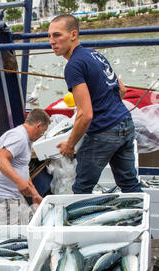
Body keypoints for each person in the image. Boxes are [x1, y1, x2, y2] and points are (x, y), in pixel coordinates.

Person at [48, 14, 142, 194]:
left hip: (103, 131)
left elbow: (86, 114)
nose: (52, 41)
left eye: (57, 35)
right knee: (130, 185)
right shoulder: (95, 54)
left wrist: (69, 144)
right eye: (50, 36)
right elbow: (121, 90)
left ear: (73, 34)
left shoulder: (73, 65)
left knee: (81, 188)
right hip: (125, 123)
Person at [0, 109, 51, 224]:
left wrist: (34, 193)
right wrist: (19, 181)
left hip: (12, 195)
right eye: (42, 133)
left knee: (30, 223)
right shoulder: (19, 137)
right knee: (17, 234)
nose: (40, 136)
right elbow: (0, 159)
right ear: (38, 126)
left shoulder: (26, 139)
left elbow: (22, 168)